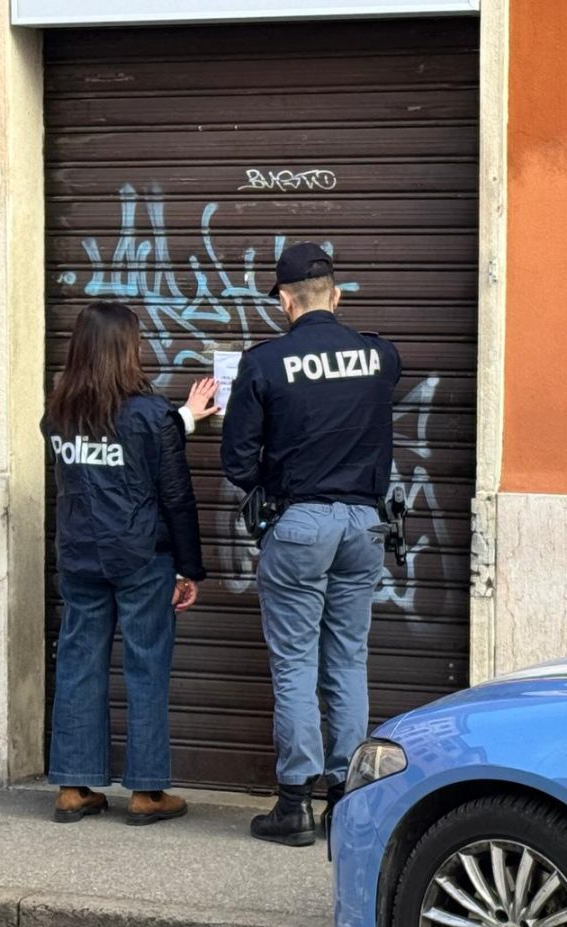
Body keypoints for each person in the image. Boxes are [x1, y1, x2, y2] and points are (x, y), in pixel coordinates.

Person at [221, 242, 401, 846]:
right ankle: (346, 804)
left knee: (296, 662)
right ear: (337, 295)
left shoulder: (267, 363)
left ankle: (294, 803)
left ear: (284, 300)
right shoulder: (381, 356)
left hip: (300, 523)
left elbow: (239, 464)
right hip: (364, 524)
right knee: (348, 659)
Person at [43, 301, 209, 826]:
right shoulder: (150, 414)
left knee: (77, 665)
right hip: (141, 558)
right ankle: (146, 793)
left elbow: (98, 456)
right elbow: (176, 497)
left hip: (80, 557)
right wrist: (190, 568)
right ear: (128, 349)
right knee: (146, 665)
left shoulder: (57, 415)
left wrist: (181, 419)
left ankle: (73, 787)